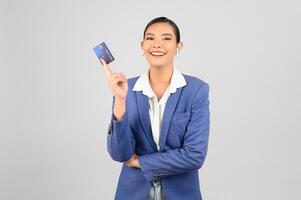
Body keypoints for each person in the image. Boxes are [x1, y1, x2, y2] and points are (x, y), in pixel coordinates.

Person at [101, 16, 210, 200]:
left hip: (181, 194)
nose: (157, 44)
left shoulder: (196, 90)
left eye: (166, 38)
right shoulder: (127, 88)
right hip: (132, 193)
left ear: (178, 47)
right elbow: (120, 154)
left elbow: (195, 155)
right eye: (150, 38)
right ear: (142, 46)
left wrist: (140, 162)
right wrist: (120, 100)